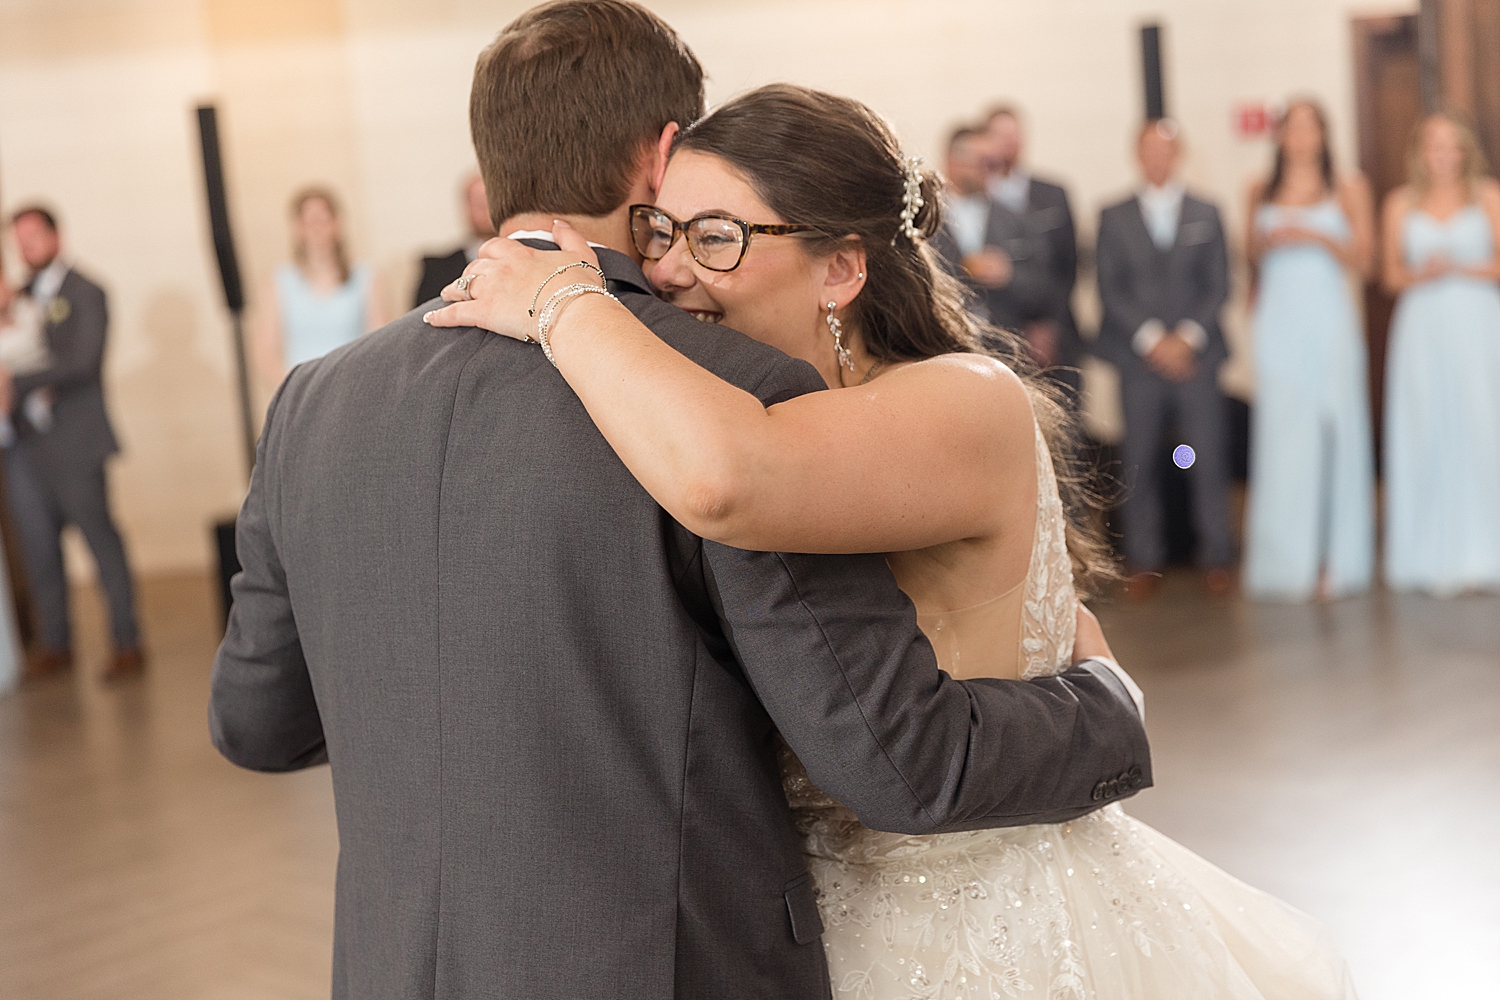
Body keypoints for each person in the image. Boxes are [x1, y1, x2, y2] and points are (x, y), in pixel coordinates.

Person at [209, 4, 1151, 998]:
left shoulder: (312, 402)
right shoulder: (720, 395)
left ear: (492, 166)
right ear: (663, 157)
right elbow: (889, 755)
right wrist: (1106, 714)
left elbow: (252, 722)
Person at [430, 83, 1357, 997]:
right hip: (798, 922)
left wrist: (564, 300)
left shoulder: (964, 397)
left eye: (718, 236)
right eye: (663, 232)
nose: (669, 271)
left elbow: (729, 478)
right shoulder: (742, 406)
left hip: (976, 922)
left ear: (842, 267)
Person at [1093, 120, 1236, 598]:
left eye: (1165, 150)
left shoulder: (1206, 212)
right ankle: (1144, 559)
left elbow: (1219, 285)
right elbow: (1110, 290)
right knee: (1141, 459)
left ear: (1179, 155)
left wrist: (1187, 339)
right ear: (1138, 155)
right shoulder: (1112, 216)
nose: (1157, 158)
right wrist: (1153, 340)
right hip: (1140, 362)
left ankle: (1216, 554)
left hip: (1196, 359)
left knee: (1202, 455)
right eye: (1148, 150)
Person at [1, 206, 143, 682]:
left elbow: (83, 363)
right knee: (39, 550)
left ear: (56, 235)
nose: (27, 247)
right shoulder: (15, 298)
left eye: (35, 236)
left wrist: (15, 382)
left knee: (100, 542)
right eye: (19, 239)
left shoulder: (86, 291)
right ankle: (56, 643)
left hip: (76, 441)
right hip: (25, 445)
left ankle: (127, 640)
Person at [1242, 100, 1376, 601]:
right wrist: (1267, 241)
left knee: (1336, 431)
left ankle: (1336, 561)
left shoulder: (1349, 187)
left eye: (1309, 126)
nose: (1300, 137)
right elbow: (1249, 255)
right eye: (1291, 127)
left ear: (1324, 134)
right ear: (1280, 137)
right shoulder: (1259, 189)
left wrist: (1315, 234)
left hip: (1330, 321)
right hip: (1278, 323)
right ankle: (1284, 561)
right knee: (1283, 437)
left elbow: (1365, 261)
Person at [1381, 112, 1500, 594]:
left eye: (1452, 144)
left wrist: (1459, 266)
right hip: (1422, 329)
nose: (1444, 153)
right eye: (1434, 144)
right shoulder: (1399, 202)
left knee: (1482, 426)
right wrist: (1421, 274)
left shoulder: (1488, 195)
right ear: (1420, 152)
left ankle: (1486, 550)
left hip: (1478, 325)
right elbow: (1389, 275)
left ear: (1465, 149)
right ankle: (1426, 555)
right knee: (1426, 429)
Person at [930, 127, 1057, 360]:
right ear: (953, 162)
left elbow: (1044, 285)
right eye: (983, 162)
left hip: (1005, 348)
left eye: (995, 163)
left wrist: (1009, 275)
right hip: (941, 348)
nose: (992, 171)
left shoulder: (1017, 219)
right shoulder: (925, 219)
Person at [983, 105, 1084, 396]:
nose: (1008, 142)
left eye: (1014, 134)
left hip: (1057, 333)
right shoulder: (975, 203)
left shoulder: (1053, 194)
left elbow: (1069, 267)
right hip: (1000, 336)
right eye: (999, 135)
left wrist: (1048, 325)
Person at [249, 188, 386, 386]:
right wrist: (295, 387)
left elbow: (380, 343)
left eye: (323, 220)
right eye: (309, 221)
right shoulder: (277, 281)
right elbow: (264, 352)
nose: (317, 229)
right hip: (299, 393)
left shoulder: (368, 277)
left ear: (337, 223)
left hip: (353, 387)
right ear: (298, 228)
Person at [412, 173, 497, 308]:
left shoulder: (524, 260)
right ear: (465, 207)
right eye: (478, 203)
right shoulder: (436, 269)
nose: (484, 210)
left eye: (489, 202)